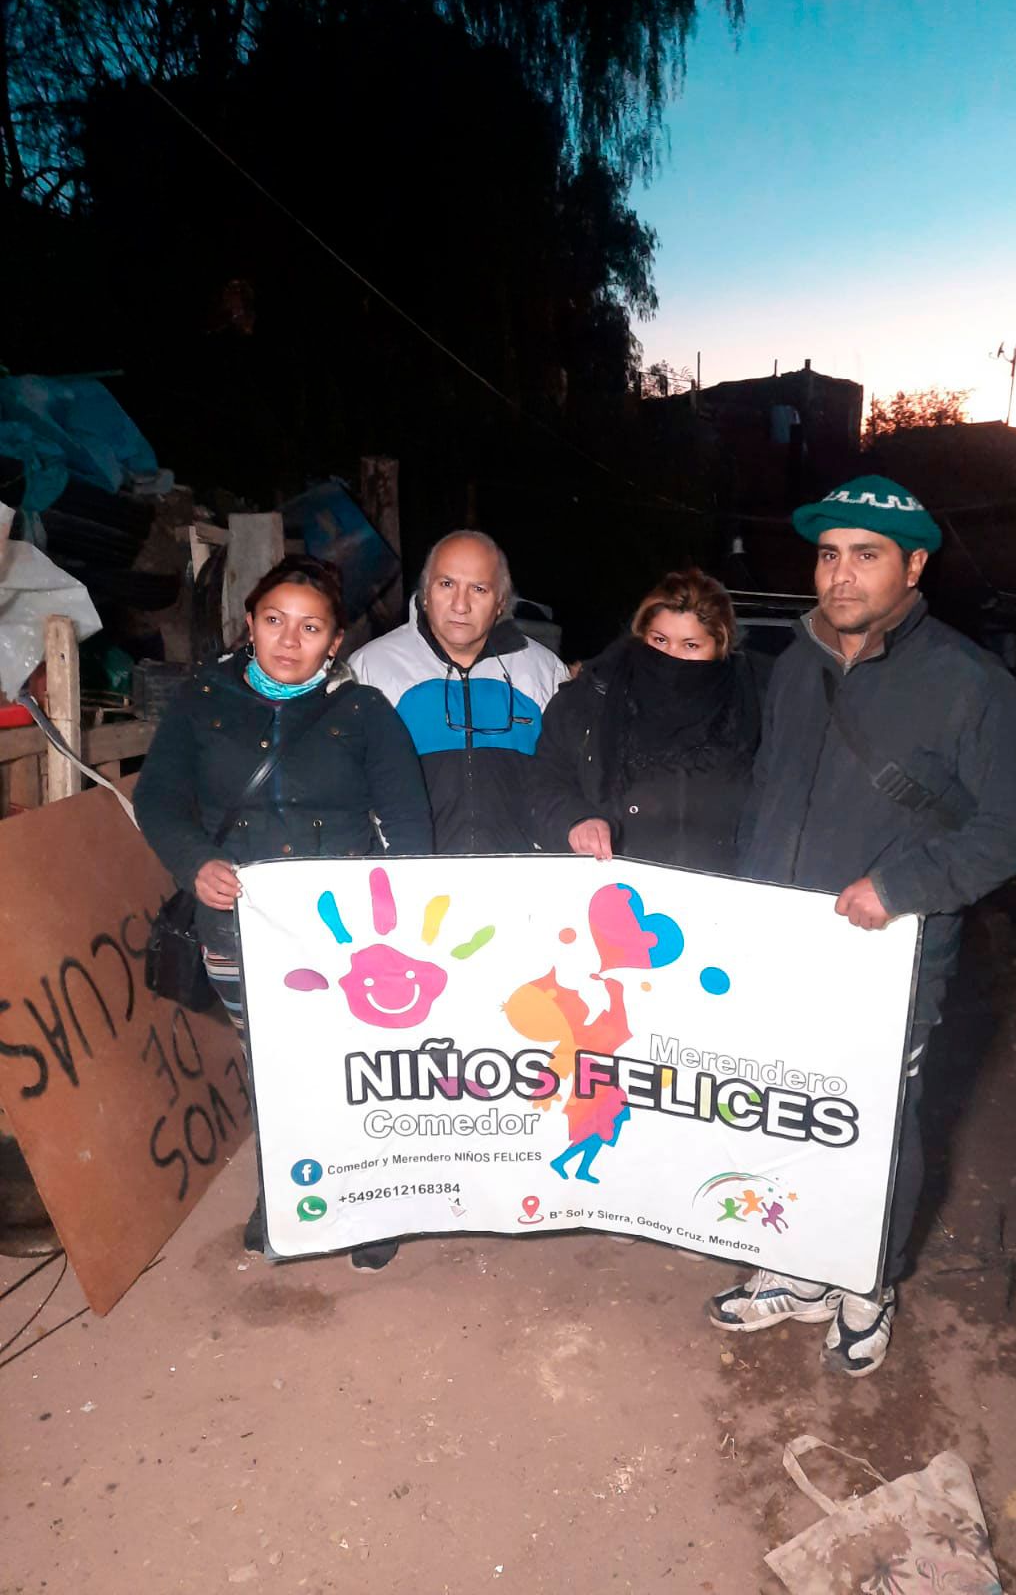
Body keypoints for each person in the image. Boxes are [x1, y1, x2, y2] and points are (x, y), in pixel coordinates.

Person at [706, 475, 1016, 1375]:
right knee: (780, 1107)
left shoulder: (970, 682)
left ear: (912, 565)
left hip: (887, 948)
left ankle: (867, 1279)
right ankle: (795, 1265)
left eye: (866, 555)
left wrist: (901, 884)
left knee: (873, 1124)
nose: (842, 576)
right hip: (782, 944)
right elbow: (768, 791)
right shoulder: (792, 667)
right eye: (829, 555)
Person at [134, 555, 432, 1270]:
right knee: (271, 1066)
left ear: (335, 643)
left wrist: (399, 913)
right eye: (274, 621)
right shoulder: (202, 700)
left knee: (353, 1066)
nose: (289, 640)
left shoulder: (362, 712)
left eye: (310, 628)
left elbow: (407, 818)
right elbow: (160, 799)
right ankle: (287, 1196)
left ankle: (368, 1204)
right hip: (240, 927)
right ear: (249, 624)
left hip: (347, 937)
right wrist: (193, 861)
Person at [350, 530, 569, 852]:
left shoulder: (544, 671)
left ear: (500, 603)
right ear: (425, 593)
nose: (460, 605)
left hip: (521, 881)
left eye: (478, 589)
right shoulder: (370, 668)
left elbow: (566, 780)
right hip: (412, 882)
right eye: (446, 584)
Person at [529, 570, 760, 871]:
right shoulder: (587, 702)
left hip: (715, 898)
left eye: (690, 645)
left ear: (719, 648)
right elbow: (545, 781)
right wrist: (575, 820)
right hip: (612, 895)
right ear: (641, 637)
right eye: (660, 640)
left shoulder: (752, 710)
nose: (671, 656)